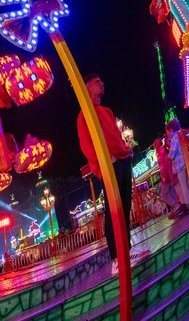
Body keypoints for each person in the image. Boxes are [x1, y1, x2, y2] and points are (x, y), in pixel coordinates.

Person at [76, 73, 145, 275]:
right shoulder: (84, 115)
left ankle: (127, 253)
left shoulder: (106, 111)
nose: (102, 82)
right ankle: (116, 260)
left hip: (123, 160)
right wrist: (104, 163)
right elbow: (87, 146)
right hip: (110, 165)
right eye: (97, 81)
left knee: (125, 207)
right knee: (113, 211)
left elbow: (115, 135)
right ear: (87, 87)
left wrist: (125, 152)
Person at [166, 119, 189, 216]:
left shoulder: (174, 137)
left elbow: (172, 154)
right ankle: (186, 203)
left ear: (171, 129)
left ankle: (187, 203)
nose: (167, 134)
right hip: (183, 162)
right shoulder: (178, 135)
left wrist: (169, 155)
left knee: (183, 185)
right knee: (184, 184)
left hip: (179, 165)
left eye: (167, 131)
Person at [153, 137, 181, 218]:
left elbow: (167, 164)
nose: (156, 145)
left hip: (167, 176)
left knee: (164, 194)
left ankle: (175, 205)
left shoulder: (162, 151)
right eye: (156, 143)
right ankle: (176, 207)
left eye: (157, 143)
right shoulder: (160, 152)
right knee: (172, 192)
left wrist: (169, 176)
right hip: (166, 175)